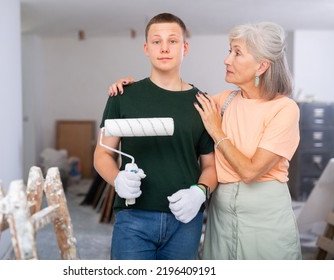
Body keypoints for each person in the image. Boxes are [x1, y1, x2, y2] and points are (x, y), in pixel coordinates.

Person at [108, 21, 302, 260]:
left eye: (237, 53)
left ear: (261, 66)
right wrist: (133, 89)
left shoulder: (284, 109)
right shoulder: (221, 102)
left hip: (265, 214)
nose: (227, 60)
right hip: (222, 213)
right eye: (229, 51)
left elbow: (251, 171)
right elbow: (177, 102)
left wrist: (216, 131)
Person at [93, 13, 217, 260]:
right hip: (132, 219)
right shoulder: (123, 96)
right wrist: (117, 179)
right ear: (146, 48)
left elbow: (211, 165)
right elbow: (102, 154)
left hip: (185, 221)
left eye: (172, 41)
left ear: (185, 48)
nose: (164, 48)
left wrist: (199, 192)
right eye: (156, 41)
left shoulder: (202, 103)